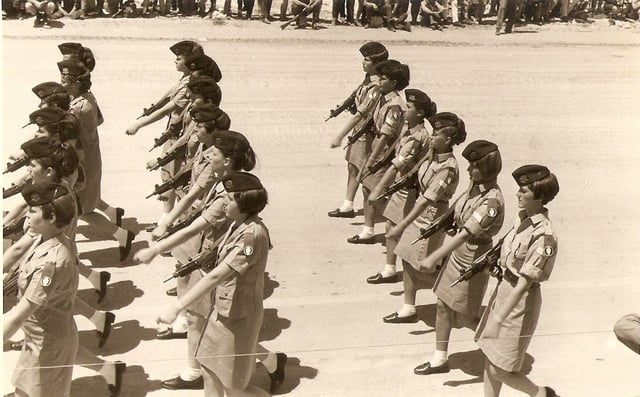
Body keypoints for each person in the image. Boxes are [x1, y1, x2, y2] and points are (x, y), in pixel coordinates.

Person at [135, 131, 287, 393]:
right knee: (214, 370)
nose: (207, 155)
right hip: (219, 292)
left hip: (228, 296)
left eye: (214, 153)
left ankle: (198, 370)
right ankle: (268, 362)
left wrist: (175, 305)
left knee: (232, 384)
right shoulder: (231, 195)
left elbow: (215, 266)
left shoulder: (248, 229)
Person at [156, 172, 272, 397]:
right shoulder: (236, 225)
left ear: (244, 204)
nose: (224, 203)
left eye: (229, 200)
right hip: (219, 312)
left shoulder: (252, 236)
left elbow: (216, 276)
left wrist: (177, 306)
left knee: (234, 388)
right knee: (210, 375)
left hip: (238, 318)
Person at [413, 140, 505, 375]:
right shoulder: (474, 187)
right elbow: (457, 211)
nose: (468, 170)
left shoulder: (491, 201)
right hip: (459, 255)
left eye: (473, 166)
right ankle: (439, 358)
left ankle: (499, 349)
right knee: (443, 306)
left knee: (465, 316)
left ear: (486, 168)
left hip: (473, 256)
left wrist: (434, 256)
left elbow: (466, 234)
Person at [475, 164, 560, 397]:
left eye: (524, 191)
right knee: (490, 357)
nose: (517, 194)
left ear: (540, 196)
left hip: (519, 304)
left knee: (501, 368)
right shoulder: (522, 220)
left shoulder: (544, 235)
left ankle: (542, 394)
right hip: (503, 292)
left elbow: (525, 283)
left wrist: (499, 319)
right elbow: (511, 261)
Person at [379, 113, 467, 326]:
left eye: (436, 134)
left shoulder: (447, 168)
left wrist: (403, 223)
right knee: (408, 259)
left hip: (430, 217)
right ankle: (409, 307)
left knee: (422, 266)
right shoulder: (432, 156)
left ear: (447, 140)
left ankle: (455, 294)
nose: (432, 136)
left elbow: (427, 201)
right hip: (421, 214)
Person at [3, 182, 79, 397]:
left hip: (49, 347)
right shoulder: (45, 238)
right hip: (37, 339)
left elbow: (19, 315)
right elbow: (16, 251)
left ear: (52, 217)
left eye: (33, 211)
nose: (26, 216)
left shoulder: (52, 262)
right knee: (22, 392)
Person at [59, 60, 136, 261]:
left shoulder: (77, 108)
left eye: (64, 79)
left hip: (83, 163)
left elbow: (67, 134)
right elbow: (99, 120)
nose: (61, 82)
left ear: (75, 83)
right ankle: (119, 231)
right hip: (90, 159)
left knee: (81, 209)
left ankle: (122, 235)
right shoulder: (87, 99)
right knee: (82, 208)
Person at [125, 40, 204, 223]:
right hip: (173, 134)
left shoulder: (189, 86)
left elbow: (166, 110)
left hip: (180, 137)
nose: (175, 61)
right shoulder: (184, 81)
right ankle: (166, 219)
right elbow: (162, 103)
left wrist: (139, 124)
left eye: (179, 58)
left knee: (176, 181)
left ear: (190, 62)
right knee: (168, 177)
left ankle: (174, 225)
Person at [366, 90, 437, 286]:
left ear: (420, 113)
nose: (405, 110)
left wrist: (378, 189)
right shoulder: (409, 130)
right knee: (394, 226)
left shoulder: (417, 136)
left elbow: (398, 164)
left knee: (396, 227)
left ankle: (392, 270)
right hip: (401, 187)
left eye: (410, 108)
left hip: (407, 190)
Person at [350, 59, 409, 245]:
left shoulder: (395, 105)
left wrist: (372, 159)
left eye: (384, 79)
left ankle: (393, 230)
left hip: (385, 150)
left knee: (377, 191)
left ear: (393, 83)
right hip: (377, 145)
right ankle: (368, 229)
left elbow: (386, 135)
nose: (380, 81)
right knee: (368, 189)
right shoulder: (382, 98)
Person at [328, 41, 388, 220]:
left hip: (368, 133)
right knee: (353, 166)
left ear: (377, 64)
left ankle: (371, 209)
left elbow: (360, 114)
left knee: (364, 169)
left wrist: (339, 136)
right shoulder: (369, 80)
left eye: (367, 60)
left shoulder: (377, 86)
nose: (363, 63)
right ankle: (348, 204)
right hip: (360, 131)